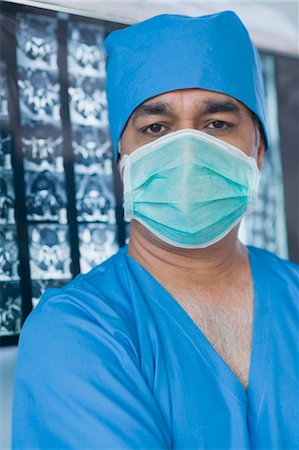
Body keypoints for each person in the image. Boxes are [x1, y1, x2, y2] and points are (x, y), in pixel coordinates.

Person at [12, 11, 298, 449]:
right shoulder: (76, 329)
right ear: (122, 162)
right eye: (156, 128)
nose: (187, 151)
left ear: (257, 152)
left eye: (217, 124)